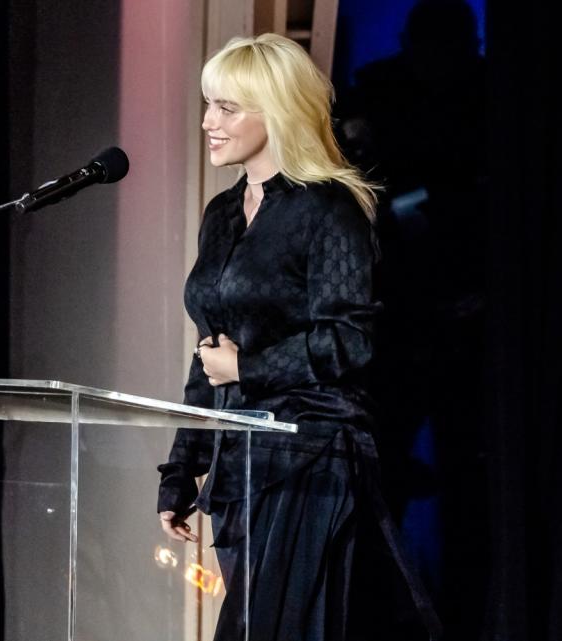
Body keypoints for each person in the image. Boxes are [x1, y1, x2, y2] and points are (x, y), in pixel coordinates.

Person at [156, 34, 442, 641]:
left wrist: (249, 368)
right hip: (243, 467)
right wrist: (181, 473)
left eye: (227, 108)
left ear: (278, 109)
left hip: (310, 458)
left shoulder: (331, 210)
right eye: (208, 104)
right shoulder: (224, 214)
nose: (208, 122)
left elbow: (349, 341)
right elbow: (211, 357)